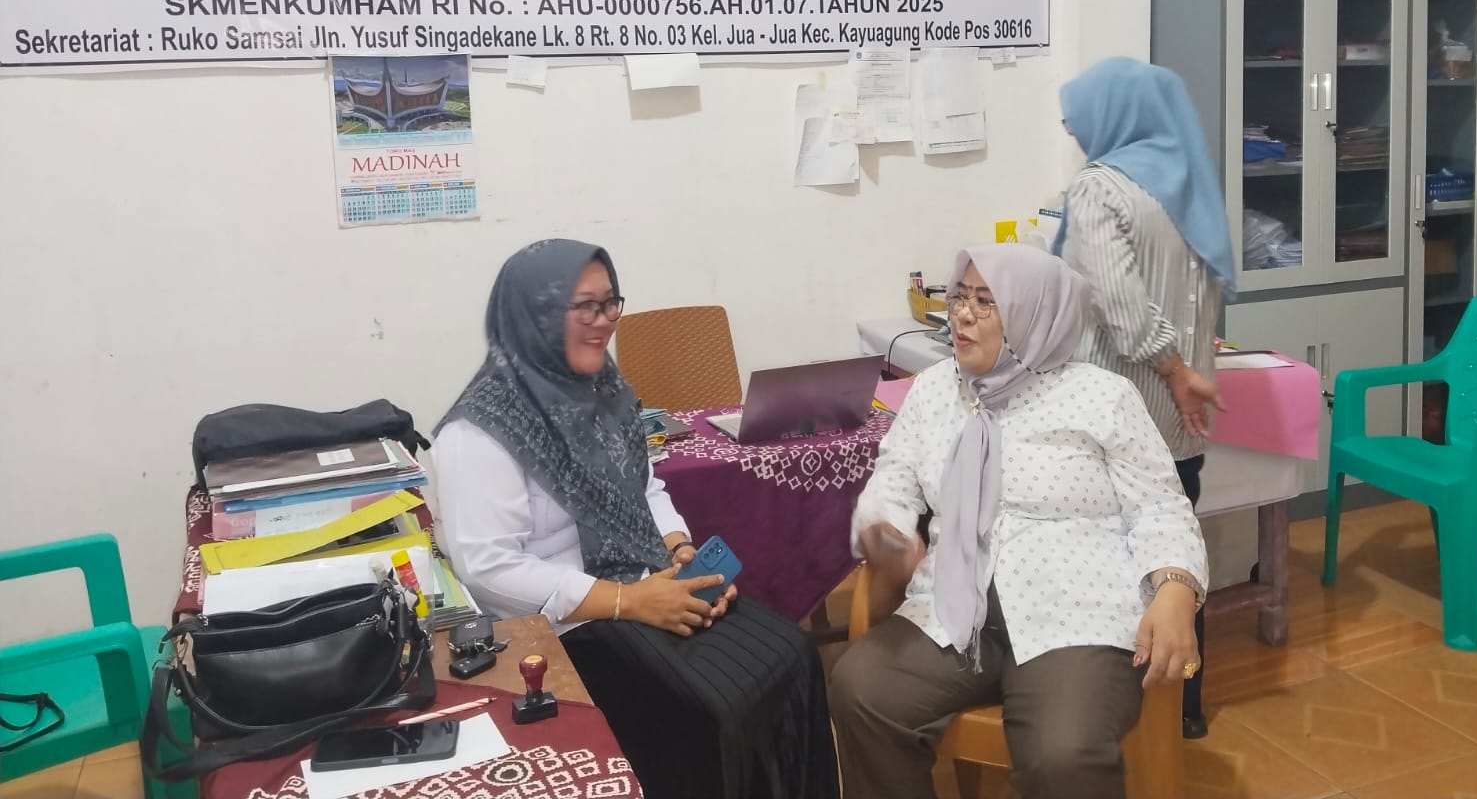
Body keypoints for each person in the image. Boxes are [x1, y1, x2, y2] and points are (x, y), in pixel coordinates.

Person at [431, 239, 838, 799]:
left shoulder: (605, 391)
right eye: (584, 307)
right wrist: (628, 601)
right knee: (714, 708)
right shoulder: (478, 431)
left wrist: (680, 553)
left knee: (794, 656)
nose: (604, 321)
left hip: (645, 579)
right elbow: (489, 568)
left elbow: (645, 486)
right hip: (566, 625)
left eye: (610, 303)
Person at [830, 244, 1208, 799]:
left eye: (986, 302)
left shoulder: (1101, 396)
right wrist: (884, 531)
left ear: (1036, 314)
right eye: (959, 297)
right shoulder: (934, 390)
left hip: (1076, 615)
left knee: (1063, 754)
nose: (962, 315)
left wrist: (1175, 586)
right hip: (953, 612)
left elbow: (1161, 507)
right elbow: (893, 480)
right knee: (860, 689)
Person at [1052, 55, 1236, 739]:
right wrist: (1186, 369)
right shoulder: (1190, 185)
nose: (1073, 131)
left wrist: (1172, 365)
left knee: (1108, 562)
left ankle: (1115, 712)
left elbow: (1118, 303)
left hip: (1120, 412)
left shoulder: (1099, 189)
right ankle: (1184, 707)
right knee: (1176, 558)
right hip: (1179, 422)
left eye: (1078, 118)